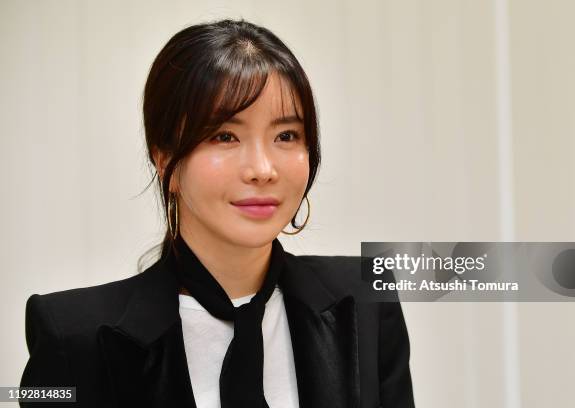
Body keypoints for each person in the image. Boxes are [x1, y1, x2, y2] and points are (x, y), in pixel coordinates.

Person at [19, 19, 415, 408]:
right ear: (165, 159)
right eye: (224, 136)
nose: (262, 168)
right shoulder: (74, 336)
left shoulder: (367, 299)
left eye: (286, 136)